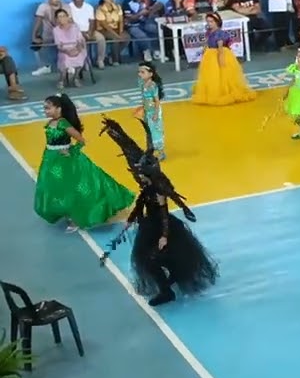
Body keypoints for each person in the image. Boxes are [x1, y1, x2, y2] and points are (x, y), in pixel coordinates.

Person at [100, 118, 217, 307]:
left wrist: (163, 235)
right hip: (150, 225)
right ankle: (169, 282)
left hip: (162, 228)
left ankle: (166, 291)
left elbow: (163, 211)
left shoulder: (158, 189)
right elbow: (141, 202)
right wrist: (131, 219)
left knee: (150, 260)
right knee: (158, 258)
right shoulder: (147, 187)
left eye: (139, 173)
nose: (137, 175)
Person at [33, 95, 134, 232]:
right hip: (50, 159)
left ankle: (76, 217)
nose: (45, 111)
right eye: (44, 108)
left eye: (48, 108)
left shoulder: (63, 123)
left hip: (66, 162)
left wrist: (72, 151)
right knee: (53, 186)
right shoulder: (50, 123)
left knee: (73, 188)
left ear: (58, 108)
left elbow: (81, 140)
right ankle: (65, 210)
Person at [190, 13, 256, 106]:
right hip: (210, 55)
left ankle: (225, 93)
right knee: (211, 75)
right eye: (208, 21)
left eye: (211, 21)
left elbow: (220, 47)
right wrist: (204, 51)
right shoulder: (209, 32)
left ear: (217, 22)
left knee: (223, 75)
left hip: (219, 54)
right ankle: (214, 92)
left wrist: (221, 58)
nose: (209, 23)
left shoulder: (220, 33)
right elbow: (206, 43)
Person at [135, 61, 165, 161]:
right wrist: (143, 110)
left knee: (156, 131)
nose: (140, 74)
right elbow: (143, 98)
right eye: (139, 72)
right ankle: (151, 150)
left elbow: (156, 101)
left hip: (154, 111)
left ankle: (161, 152)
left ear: (150, 74)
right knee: (149, 131)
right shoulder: (142, 84)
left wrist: (156, 114)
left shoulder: (153, 86)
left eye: (143, 72)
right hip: (148, 111)